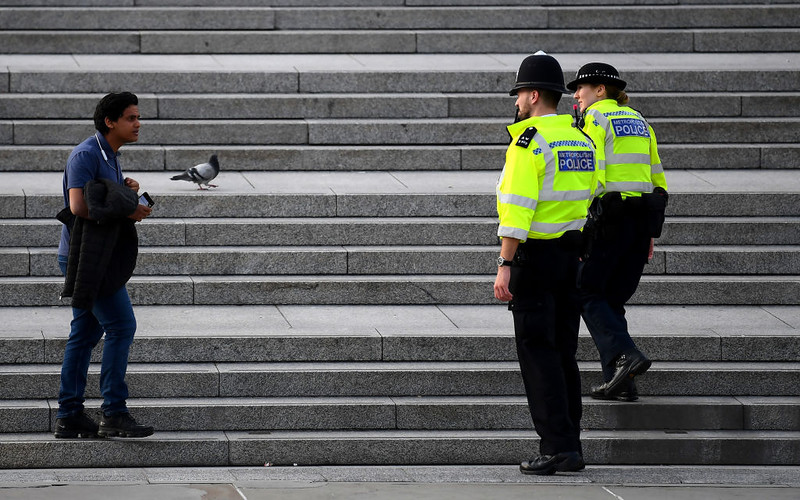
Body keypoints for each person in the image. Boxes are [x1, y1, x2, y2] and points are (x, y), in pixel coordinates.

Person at [494, 52, 602, 475]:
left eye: (520, 94)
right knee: (563, 354)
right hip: (571, 256)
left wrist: (505, 263)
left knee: (538, 354)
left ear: (533, 95)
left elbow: (517, 210)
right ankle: (570, 444)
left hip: (534, 259)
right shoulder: (581, 140)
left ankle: (555, 447)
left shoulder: (528, 139)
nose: (517, 102)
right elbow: (593, 194)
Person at [54, 92, 154, 439]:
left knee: (84, 334)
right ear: (110, 121)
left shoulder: (110, 154)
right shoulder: (86, 154)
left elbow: (102, 197)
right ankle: (114, 411)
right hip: (85, 257)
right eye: (131, 118)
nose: (138, 124)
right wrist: (128, 209)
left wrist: (127, 192)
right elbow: (80, 206)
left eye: (138, 117)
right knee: (122, 326)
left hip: (100, 254)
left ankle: (69, 415)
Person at [567, 63, 669, 402]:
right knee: (611, 300)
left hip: (610, 218)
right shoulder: (639, 120)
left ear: (600, 90)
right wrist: (651, 231)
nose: (576, 94)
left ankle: (627, 357)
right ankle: (622, 382)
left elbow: (591, 170)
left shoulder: (595, 119)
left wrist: (582, 221)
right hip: (642, 220)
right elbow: (657, 176)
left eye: (581, 87)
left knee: (586, 291)